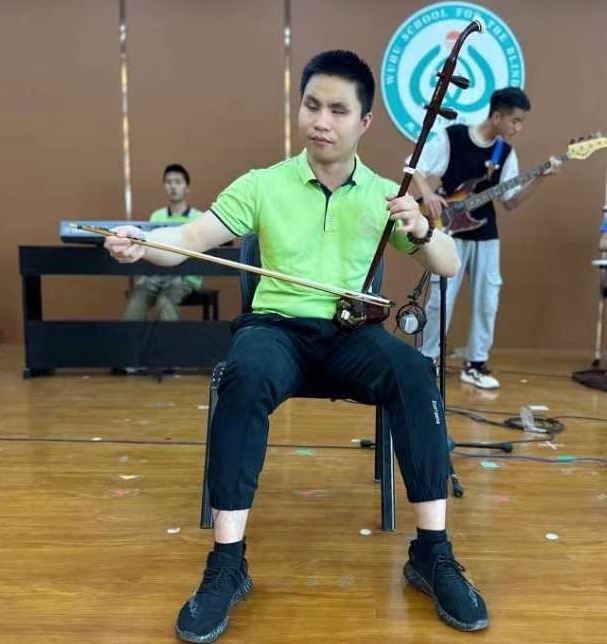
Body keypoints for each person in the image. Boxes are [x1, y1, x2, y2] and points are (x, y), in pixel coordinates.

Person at [105, 50, 489, 642]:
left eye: (338, 110)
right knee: (244, 374)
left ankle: (432, 553)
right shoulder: (263, 184)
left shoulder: (385, 195)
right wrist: (142, 243)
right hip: (276, 331)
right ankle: (227, 564)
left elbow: (445, 264)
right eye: (312, 105)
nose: (321, 121)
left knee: (413, 372)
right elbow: (187, 238)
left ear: (364, 122)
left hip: (352, 335)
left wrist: (421, 228)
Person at [410, 88, 561, 389]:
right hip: (448, 232)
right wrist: (427, 194)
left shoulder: (504, 153)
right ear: (496, 117)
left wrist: (540, 177)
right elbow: (414, 166)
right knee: (440, 300)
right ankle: (428, 361)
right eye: (515, 121)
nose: (518, 128)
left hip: (485, 233)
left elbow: (510, 201)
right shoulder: (453, 137)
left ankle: (476, 364)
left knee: (487, 300)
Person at [122, 163, 204, 322]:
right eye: (169, 182)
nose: (173, 186)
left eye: (178, 182)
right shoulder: (156, 216)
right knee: (136, 299)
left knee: (164, 302)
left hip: (184, 277)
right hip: (155, 274)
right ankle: (132, 339)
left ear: (187, 188)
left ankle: (169, 340)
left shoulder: (198, 217)